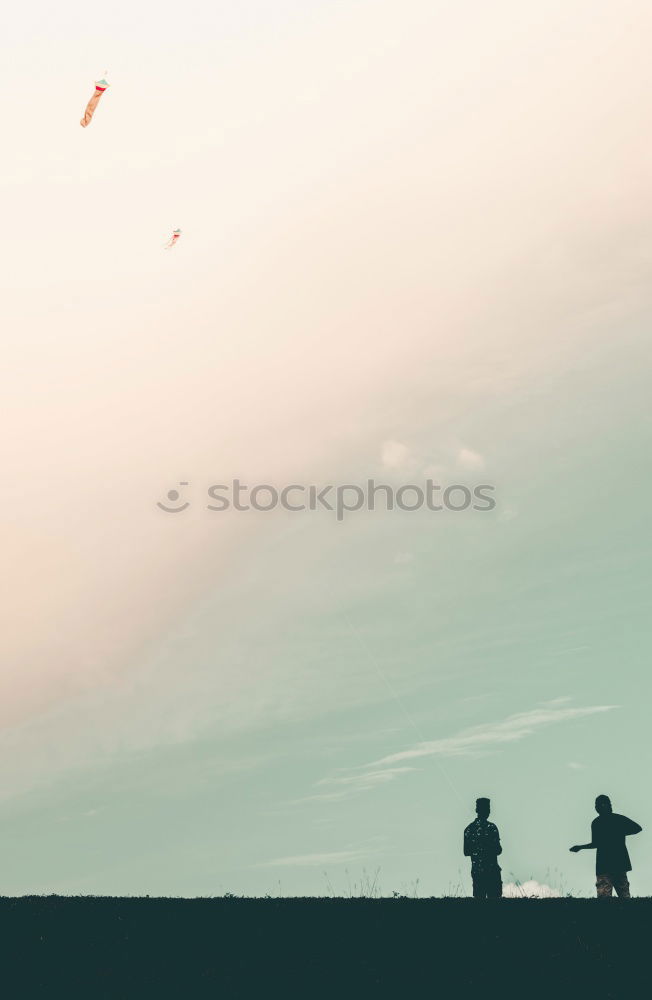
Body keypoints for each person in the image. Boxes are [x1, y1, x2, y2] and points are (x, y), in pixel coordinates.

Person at [569, 795, 642, 898]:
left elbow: (595, 844)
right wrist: (620, 832)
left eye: (599, 804)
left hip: (604, 865)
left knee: (605, 900)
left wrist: (580, 847)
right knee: (625, 897)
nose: (597, 807)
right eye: (597, 805)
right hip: (619, 863)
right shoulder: (618, 819)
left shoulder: (597, 823)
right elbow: (637, 828)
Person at [464, 797, 503, 898]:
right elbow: (498, 850)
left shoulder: (469, 829)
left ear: (477, 810)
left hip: (478, 871)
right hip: (492, 871)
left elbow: (466, 851)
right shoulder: (492, 828)